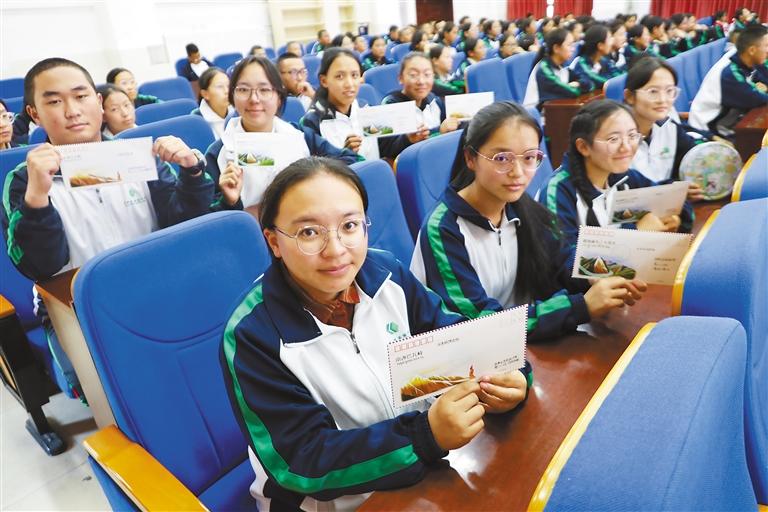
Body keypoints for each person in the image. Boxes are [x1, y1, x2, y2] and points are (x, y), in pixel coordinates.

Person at [221, 156, 531, 510]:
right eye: (309, 232)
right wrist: (424, 436)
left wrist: (512, 376)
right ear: (274, 242)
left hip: (419, 473)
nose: (336, 250)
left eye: (350, 226)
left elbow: (455, 337)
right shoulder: (252, 333)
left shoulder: (386, 273)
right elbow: (301, 462)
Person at [2, 58, 214, 399]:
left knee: (201, 363)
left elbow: (184, 227)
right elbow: (41, 266)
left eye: (81, 96)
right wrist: (37, 198)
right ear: (34, 114)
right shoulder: (24, 182)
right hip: (77, 310)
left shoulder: (135, 158)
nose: (72, 111)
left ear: (98, 102)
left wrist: (191, 172)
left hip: (155, 290)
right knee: (121, 393)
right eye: (54, 101)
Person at [411, 101, 646, 341]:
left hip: (523, 344)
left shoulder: (521, 208)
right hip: (475, 351)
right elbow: (482, 324)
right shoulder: (444, 229)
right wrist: (581, 307)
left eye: (529, 157)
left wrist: (604, 271)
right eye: (502, 158)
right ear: (471, 158)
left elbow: (561, 257)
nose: (518, 172)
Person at [204, 56, 358, 211]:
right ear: (232, 96)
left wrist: (312, 177)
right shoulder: (218, 153)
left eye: (264, 90)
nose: (254, 99)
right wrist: (229, 202)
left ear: (279, 97)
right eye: (243, 90)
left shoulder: (300, 135)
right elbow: (208, 215)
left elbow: (350, 159)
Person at [539, 99, 693, 251]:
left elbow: (670, 197)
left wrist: (676, 218)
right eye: (613, 139)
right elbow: (565, 259)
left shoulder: (625, 178)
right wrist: (636, 235)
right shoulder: (559, 190)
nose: (626, 147)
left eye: (632, 136)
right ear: (584, 147)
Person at [624, 57, 705, 194]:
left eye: (669, 91)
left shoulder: (670, 128)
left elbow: (695, 157)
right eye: (653, 92)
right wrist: (671, 189)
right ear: (630, 96)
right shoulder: (615, 139)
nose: (663, 100)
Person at [689, 25, 768, 138]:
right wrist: (757, 90)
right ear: (752, 50)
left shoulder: (746, 59)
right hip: (707, 133)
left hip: (727, 125)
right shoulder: (729, 73)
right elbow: (757, 98)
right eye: (766, 46)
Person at [301, 48, 379, 160]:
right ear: (324, 81)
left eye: (354, 75)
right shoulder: (312, 121)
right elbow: (319, 166)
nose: (349, 84)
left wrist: (405, 137)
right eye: (340, 76)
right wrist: (346, 155)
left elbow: (385, 145)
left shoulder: (365, 108)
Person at [380, 52, 460, 159]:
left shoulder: (435, 101)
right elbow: (385, 150)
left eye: (427, 74)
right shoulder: (390, 105)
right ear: (400, 78)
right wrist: (408, 140)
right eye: (413, 75)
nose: (421, 81)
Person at [523, 29, 594, 112]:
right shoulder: (544, 69)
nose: (573, 49)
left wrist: (577, 83)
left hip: (554, 110)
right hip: (536, 115)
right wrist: (577, 86)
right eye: (569, 45)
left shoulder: (562, 66)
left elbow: (589, 83)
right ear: (556, 48)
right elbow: (572, 92)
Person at [571, 24, 621, 89]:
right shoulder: (581, 63)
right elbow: (594, 78)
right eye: (609, 38)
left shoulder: (604, 60)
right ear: (600, 46)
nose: (612, 41)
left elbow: (617, 73)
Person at [191, 67, 233, 139]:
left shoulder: (237, 111)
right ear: (205, 94)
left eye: (228, 86)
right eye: (220, 86)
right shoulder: (197, 121)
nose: (227, 91)